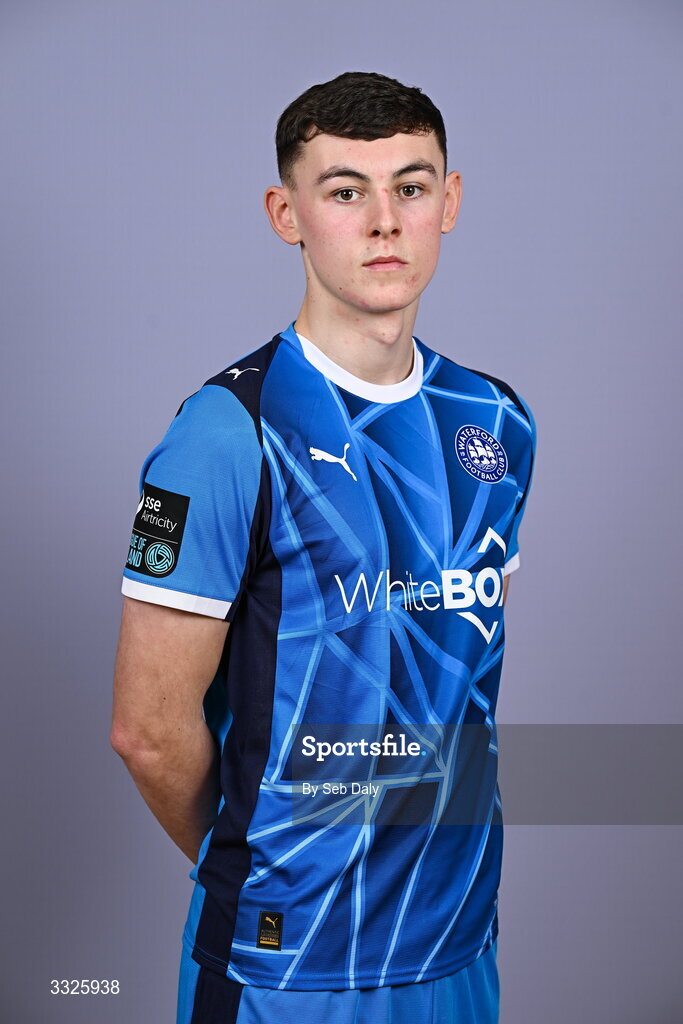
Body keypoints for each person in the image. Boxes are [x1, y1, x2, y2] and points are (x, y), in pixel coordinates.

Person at [111, 70, 537, 1024]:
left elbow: (454, 682)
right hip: (288, 966)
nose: (384, 221)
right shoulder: (223, 435)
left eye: (411, 187)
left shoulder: (496, 424)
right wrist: (270, 858)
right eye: (346, 191)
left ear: (449, 201)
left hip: (459, 947)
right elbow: (146, 730)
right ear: (286, 213)